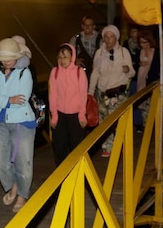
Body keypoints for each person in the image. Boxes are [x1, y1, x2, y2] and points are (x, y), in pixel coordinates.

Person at [0, 37, 37, 212]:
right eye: (3, 58)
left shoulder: (24, 73)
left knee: (24, 161)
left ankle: (22, 194)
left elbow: (21, 100)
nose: (6, 61)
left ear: (18, 56)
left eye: (10, 57)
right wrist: (8, 99)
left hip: (22, 121)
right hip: (1, 120)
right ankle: (12, 185)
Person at [87, 25, 134, 156]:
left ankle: (121, 144)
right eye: (106, 37)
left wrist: (127, 70)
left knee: (118, 121)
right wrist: (90, 92)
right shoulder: (99, 53)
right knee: (104, 122)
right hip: (103, 93)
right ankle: (107, 147)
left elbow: (132, 73)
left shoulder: (123, 52)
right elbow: (95, 73)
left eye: (111, 36)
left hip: (118, 93)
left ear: (116, 38)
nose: (108, 40)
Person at [48, 43, 88, 165]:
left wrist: (82, 114)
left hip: (75, 115)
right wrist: (54, 115)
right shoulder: (55, 72)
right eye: (60, 57)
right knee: (59, 147)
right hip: (60, 115)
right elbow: (52, 95)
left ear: (72, 57)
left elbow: (83, 95)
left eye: (65, 57)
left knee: (76, 147)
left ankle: (77, 175)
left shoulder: (79, 72)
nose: (62, 60)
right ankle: (61, 176)